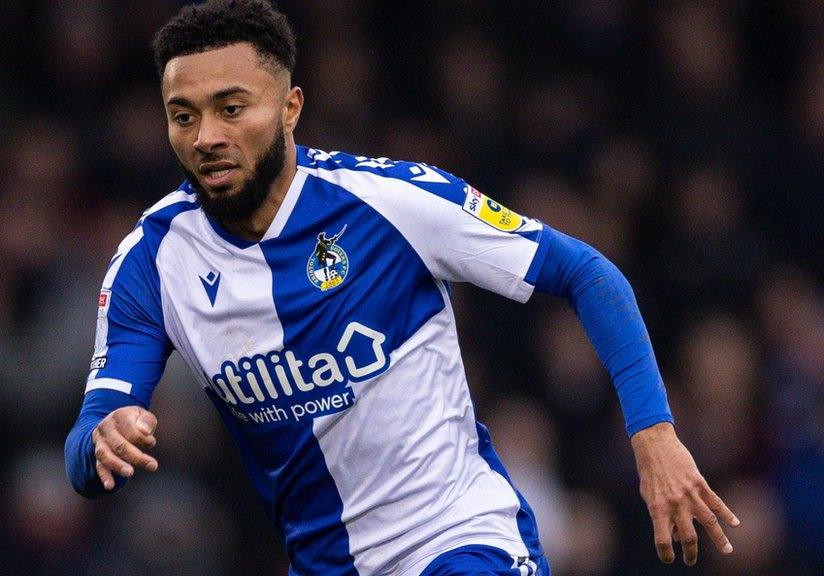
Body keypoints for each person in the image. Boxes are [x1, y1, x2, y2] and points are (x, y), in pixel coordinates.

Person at [64, 1, 740, 574]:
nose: (208, 136)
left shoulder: (389, 203)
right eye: (184, 116)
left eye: (231, 107)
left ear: (290, 107)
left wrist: (655, 435)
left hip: (461, 540)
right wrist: (103, 442)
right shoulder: (151, 263)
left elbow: (587, 272)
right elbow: (89, 441)